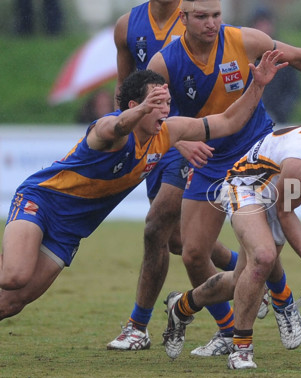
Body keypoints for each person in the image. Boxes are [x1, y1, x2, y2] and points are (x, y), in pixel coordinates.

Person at [0, 51, 284, 336]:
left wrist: (257, 86)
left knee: (12, 303)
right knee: (14, 277)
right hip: (40, 201)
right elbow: (118, 124)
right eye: (156, 103)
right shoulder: (108, 131)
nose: (165, 110)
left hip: (69, 232)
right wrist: (138, 111)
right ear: (135, 106)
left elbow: (227, 121)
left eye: (167, 103)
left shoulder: (167, 133)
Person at [147, 0, 301, 356]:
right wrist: (183, 142)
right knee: (191, 253)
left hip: (255, 150)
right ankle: (210, 318)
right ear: (184, 18)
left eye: (216, 16)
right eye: (202, 16)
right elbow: (150, 112)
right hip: (207, 155)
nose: (211, 23)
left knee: (261, 257)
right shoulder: (164, 62)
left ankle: (271, 308)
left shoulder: (244, 40)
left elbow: (297, 57)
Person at [162, 100, 301, 369]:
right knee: (263, 257)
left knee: (243, 280)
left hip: (276, 194)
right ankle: (242, 348)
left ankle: (181, 308)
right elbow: (285, 214)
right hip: (245, 185)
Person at [107, 0, 247, 351]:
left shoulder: (197, 16)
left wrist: (181, 137)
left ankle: (138, 326)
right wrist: (127, 140)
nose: (210, 21)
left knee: (156, 225)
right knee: (178, 241)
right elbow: (124, 93)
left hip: (189, 136)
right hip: (153, 138)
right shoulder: (127, 25)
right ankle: (251, 276)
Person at [250, 6, 301, 124]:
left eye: (266, 23)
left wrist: (282, 110)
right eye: (259, 23)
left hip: (279, 119)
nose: (263, 27)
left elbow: (295, 88)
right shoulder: (246, 54)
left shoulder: (284, 53)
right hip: (251, 119)